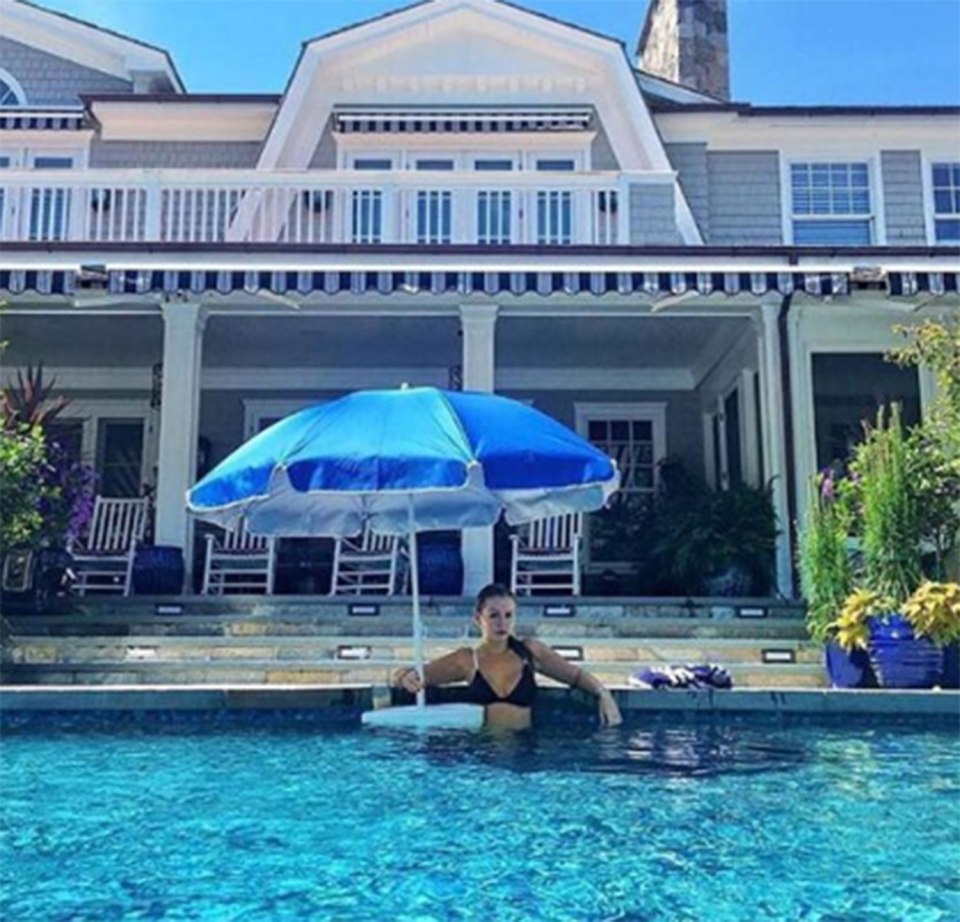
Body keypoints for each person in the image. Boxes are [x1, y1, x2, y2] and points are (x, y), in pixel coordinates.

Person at [393, 582, 623, 731]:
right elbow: (413, 676)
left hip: (527, 749)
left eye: (508, 615)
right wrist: (404, 676)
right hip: (482, 750)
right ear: (478, 619)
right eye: (493, 615)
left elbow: (576, 676)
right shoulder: (466, 660)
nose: (502, 623)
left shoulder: (530, 651)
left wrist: (603, 694)